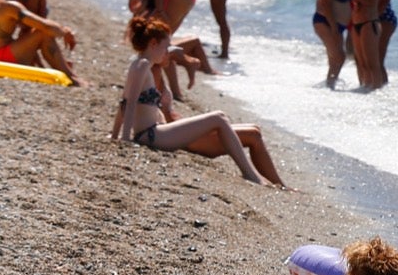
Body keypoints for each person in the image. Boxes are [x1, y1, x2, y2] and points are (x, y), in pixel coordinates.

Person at [113, 14, 287, 187]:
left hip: (153, 133)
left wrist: (115, 135)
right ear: (153, 44)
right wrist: (126, 138)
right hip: (151, 135)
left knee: (220, 118)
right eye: (166, 48)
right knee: (219, 117)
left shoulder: (141, 65)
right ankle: (251, 175)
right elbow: (129, 102)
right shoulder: (142, 65)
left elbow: (124, 101)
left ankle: (253, 174)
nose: (167, 53)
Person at [0, 0, 78, 83]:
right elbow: (45, 26)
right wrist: (65, 32)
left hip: (4, 54)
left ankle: (58, 67)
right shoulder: (9, 7)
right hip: (3, 59)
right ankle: (72, 78)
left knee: (28, 34)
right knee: (42, 33)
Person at [313, 0, 354, 88]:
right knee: (339, 56)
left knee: (335, 57)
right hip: (325, 21)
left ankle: (329, 86)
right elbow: (325, 3)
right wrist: (334, 27)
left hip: (337, 23)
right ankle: (329, 85)